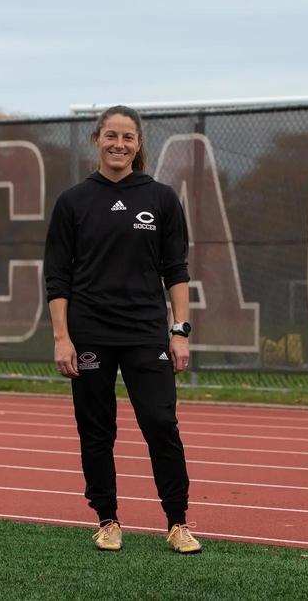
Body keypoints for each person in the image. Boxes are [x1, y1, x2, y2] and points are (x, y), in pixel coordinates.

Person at [43, 105, 201, 554]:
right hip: (90, 332)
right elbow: (57, 277)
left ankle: (177, 522)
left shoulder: (161, 198)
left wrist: (179, 330)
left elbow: (176, 270)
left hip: (146, 334)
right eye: (110, 135)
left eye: (127, 137)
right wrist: (61, 337)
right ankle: (107, 520)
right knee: (97, 430)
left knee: (160, 424)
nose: (118, 144)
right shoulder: (72, 201)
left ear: (138, 144)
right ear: (97, 139)